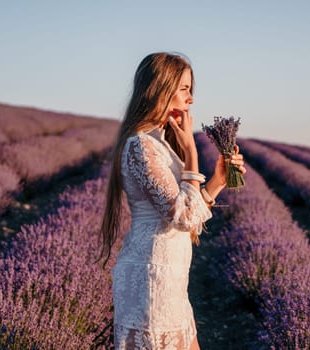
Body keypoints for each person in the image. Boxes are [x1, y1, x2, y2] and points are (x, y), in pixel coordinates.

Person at [99, 52, 247, 350]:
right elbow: (181, 217)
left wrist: (218, 180)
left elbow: (186, 214)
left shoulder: (159, 144)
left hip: (168, 274)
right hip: (151, 274)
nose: (190, 98)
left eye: (191, 89)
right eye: (183, 89)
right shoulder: (140, 145)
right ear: (159, 88)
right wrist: (192, 153)